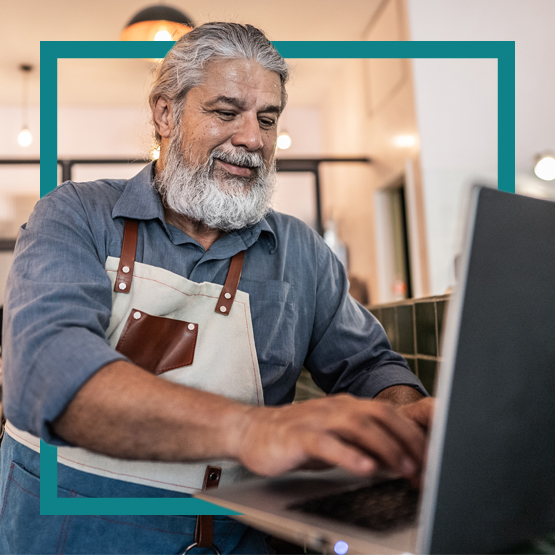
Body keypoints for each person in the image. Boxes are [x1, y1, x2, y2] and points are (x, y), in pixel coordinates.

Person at [0, 23, 432, 555]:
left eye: (267, 119)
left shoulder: (302, 252)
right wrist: (254, 432)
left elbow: (369, 366)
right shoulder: (75, 215)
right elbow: (48, 370)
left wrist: (401, 414)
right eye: (227, 113)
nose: (252, 138)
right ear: (165, 114)